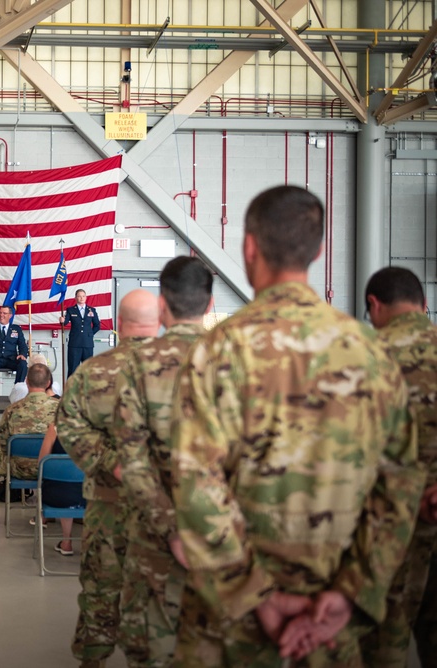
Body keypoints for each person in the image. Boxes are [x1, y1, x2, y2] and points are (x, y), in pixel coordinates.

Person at [170, 185, 424, 666]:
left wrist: (257, 597)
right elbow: (401, 485)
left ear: (249, 247)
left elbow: (195, 484)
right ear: (318, 251)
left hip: (226, 631)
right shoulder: (372, 353)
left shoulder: (219, 350)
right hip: (330, 620)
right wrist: (351, 593)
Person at [112, 256, 213, 667]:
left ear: (163, 305)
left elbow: (130, 460)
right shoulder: (241, 361)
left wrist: (172, 530)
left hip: (154, 536)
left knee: (153, 647)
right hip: (224, 543)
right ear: (209, 306)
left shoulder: (138, 363)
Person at [55, 288, 160, 668]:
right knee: (159, 590)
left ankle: (93, 658)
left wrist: (110, 463)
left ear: (117, 323)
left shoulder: (92, 371)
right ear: (158, 321)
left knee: (101, 586)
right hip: (165, 508)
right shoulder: (186, 367)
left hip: (107, 501)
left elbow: (67, 424)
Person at [361, 266, 437, 668]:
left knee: (384, 647)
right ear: (423, 305)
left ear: (374, 305)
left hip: (389, 534)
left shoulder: (366, 358)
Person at [0, 363, 56, 524]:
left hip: (17, 468)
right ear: (48, 383)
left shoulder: (12, 410)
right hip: (52, 468)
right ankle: (74, 511)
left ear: (26, 382)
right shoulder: (61, 409)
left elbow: (3, 442)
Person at [37, 422, 82, 556]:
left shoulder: (55, 429)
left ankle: (67, 542)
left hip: (57, 496)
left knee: (64, 485)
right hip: (93, 497)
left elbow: (42, 464)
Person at [60, 289, 102, 377]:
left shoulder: (92, 310)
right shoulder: (71, 310)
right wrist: (62, 321)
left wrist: (89, 334)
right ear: (75, 298)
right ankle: (71, 390)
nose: (81, 298)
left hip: (88, 344)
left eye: (83, 296)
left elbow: (97, 325)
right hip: (74, 344)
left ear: (86, 297)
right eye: (79, 296)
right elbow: (65, 322)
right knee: (73, 370)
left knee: (88, 370)